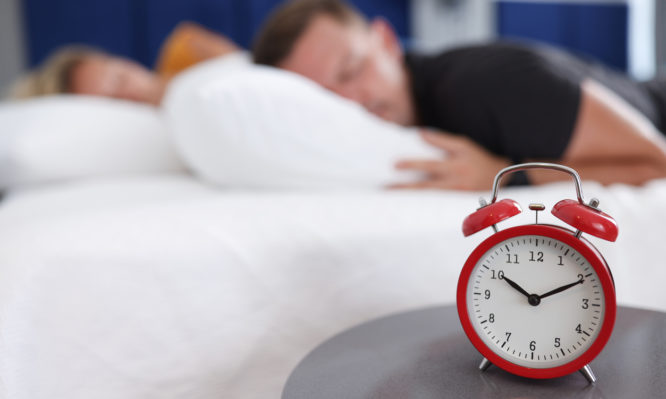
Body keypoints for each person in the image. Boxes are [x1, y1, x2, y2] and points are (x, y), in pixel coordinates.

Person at [252, 0, 666, 190]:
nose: (354, 100)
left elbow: (656, 162)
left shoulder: (492, 83)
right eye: (329, 98)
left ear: (386, 40)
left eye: (352, 69)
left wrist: (506, 175)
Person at [9, 22, 239, 105]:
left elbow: (245, 68)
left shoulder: (186, 49)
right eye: (114, 100)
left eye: (120, 78)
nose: (131, 93)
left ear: (122, 61)